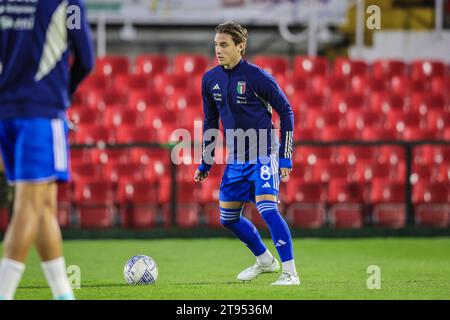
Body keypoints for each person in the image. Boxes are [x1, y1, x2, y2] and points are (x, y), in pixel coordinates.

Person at [0, 0, 94, 300]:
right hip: (41, 113)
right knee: (28, 206)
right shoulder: (69, 3)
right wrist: (62, 96)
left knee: (44, 208)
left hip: (6, 114)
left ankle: (63, 294)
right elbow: (86, 60)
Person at [194, 22, 299, 285]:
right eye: (216, 44)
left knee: (267, 208)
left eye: (224, 44)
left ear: (240, 46)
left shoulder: (257, 77)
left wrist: (284, 157)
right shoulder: (210, 80)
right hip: (237, 159)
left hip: (263, 152)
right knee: (228, 218)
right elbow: (210, 122)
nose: (218, 49)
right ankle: (265, 261)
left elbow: (286, 111)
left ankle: (290, 272)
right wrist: (205, 162)